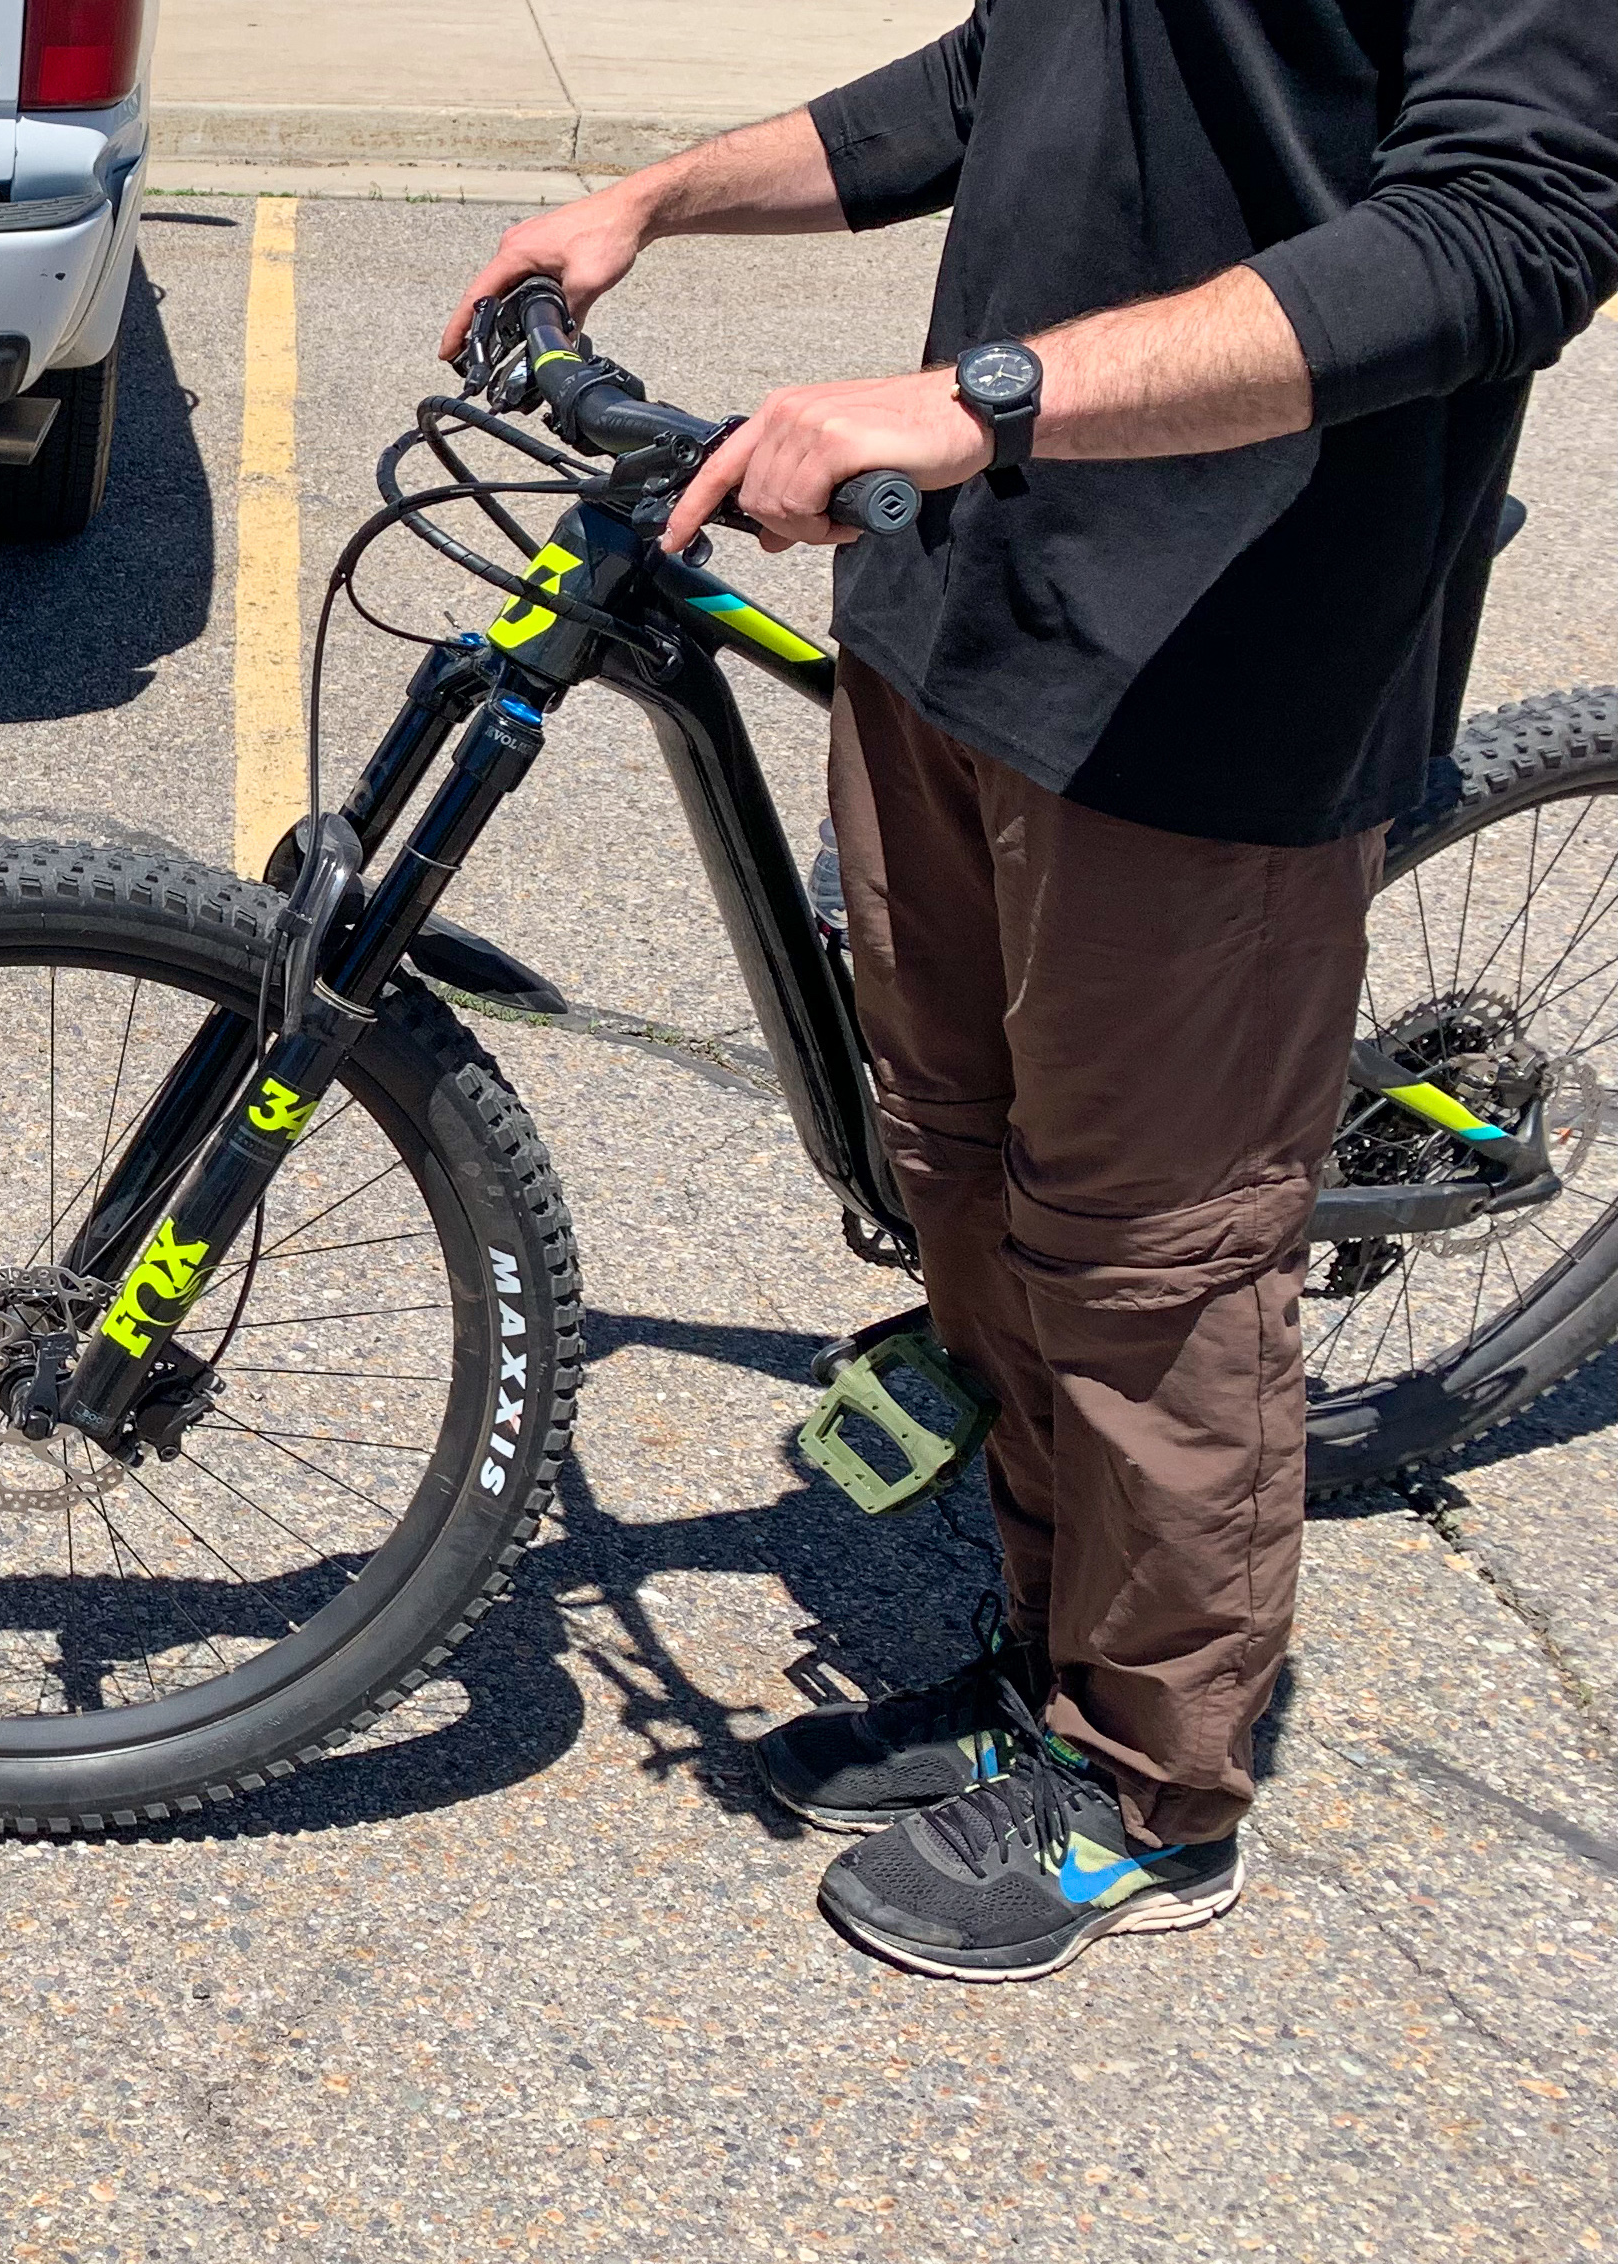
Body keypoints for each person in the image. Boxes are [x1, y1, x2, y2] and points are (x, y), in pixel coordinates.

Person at [443, 2, 1618, 1979]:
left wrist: (975, 395)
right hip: (957, 606)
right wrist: (657, 195)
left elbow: (1504, 229)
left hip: (1216, 682)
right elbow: (1002, 76)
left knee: (1147, 1262)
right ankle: (1040, 1669)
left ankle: (1154, 1794)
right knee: (963, 1187)